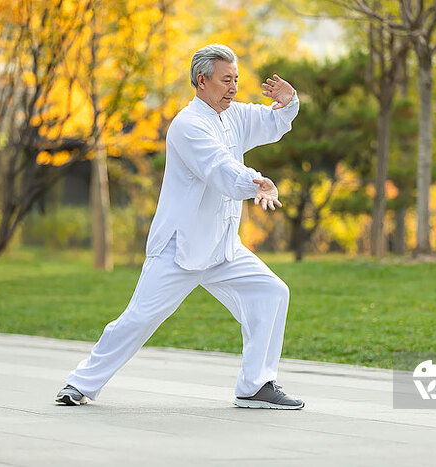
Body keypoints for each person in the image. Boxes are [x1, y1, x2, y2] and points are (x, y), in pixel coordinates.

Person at [56, 44, 303, 409]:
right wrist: (256, 183)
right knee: (139, 318)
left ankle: (256, 386)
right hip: (179, 247)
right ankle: (80, 383)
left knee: (271, 292)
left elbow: (268, 122)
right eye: (225, 80)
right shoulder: (188, 125)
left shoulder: (232, 115)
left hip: (222, 248)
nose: (233, 88)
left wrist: (288, 102)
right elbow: (219, 168)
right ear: (201, 81)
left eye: (236, 79)